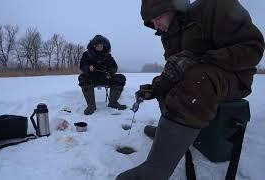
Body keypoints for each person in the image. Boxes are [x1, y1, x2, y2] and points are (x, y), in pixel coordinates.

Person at [116, 0, 264, 179]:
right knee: (168, 85)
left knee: (196, 80)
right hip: (199, 74)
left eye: (157, 18)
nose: (156, 25)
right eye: (151, 22)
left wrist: (199, 59)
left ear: (172, 6)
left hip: (233, 76)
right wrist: (153, 89)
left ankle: (155, 171)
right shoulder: (169, 34)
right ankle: (169, 136)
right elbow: (174, 69)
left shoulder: (215, 7)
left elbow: (253, 48)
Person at [78, 35, 127, 115]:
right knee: (82, 78)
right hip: (91, 78)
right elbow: (82, 66)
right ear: (93, 45)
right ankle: (91, 106)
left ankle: (113, 103)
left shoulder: (108, 55)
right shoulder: (86, 54)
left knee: (121, 78)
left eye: (101, 44)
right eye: (97, 44)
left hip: (106, 77)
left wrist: (110, 72)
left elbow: (114, 66)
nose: (100, 46)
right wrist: (87, 68)